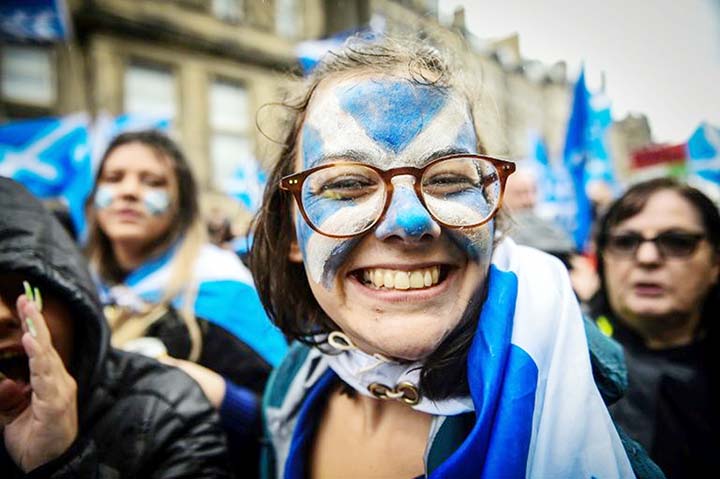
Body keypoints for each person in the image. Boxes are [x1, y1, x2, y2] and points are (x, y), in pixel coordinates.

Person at [249, 34, 661, 478]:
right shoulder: (293, 386)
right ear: (291, 235)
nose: (409, 223)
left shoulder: (592, 429)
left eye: (448, 180)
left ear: (492, 215)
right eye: (348, 184)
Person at [83, 130, 287, 473]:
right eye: (113, 178)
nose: (129, 191)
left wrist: (219, 395)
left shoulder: (221, 287)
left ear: (181, 202)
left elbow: (288, 419)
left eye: (153, 182)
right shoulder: (79, 290)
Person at [0, 177, 231, 477]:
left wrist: (60, 464)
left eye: (26, 290)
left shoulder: (165, 411)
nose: (129, 192)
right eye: (113, 178)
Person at [591, 177, 720, 478]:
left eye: (677, 242)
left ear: (715, 261)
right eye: (625, 241)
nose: (647, 258)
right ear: (604, 257)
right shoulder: (568, 369)